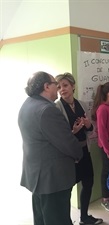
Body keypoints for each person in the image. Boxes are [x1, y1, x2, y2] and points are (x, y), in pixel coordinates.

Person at [18, 71, 83, 225]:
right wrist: (79, 153)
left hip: (37, 175)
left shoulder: (28, 104)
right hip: (53, 178)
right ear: (47, 86)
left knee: (42, 217)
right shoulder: (48, 110)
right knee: (57, 218)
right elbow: (67, 142)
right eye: (56, 84)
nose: (59, 88)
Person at [55, 73, 103, 225]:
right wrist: (73, 132)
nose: (62, 89)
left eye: (65, 85)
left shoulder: (81, 104)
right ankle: (66, 220)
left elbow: (90, 129)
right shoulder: (56, 107)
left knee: (88, 183)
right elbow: (58, 135)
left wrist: (88, 125)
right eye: (59, 87)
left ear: (73, 86)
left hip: (84, 151)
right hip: (69, 155)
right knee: (67, 189)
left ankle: (84, 217)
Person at [91, 82, 109, 212]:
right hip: (107, 147)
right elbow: (102, 132)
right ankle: (105, 199)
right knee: (107, 172)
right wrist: (108, 150)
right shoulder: (102, 109)